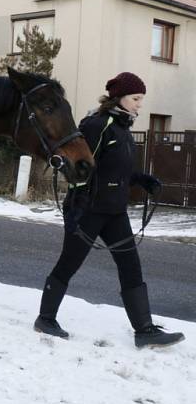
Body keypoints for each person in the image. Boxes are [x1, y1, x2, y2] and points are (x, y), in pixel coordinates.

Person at [34, 72, 185, 349]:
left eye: (141, 99)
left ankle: (144, 330)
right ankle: (45, 318)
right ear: (119, 98)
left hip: (115, 212)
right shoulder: (97, 126)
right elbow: (80, 168)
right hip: (89, 210)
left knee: (131, 267)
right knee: (69, 264)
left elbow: (115, 170)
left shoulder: (123, 129)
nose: (140, 104)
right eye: (136, 98)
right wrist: (75, 208)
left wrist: (140, 179)